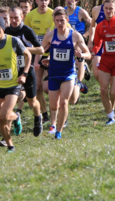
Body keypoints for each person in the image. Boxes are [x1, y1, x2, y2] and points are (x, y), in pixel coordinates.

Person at [0, 16, 32, 153]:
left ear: (3, 28)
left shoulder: (14, 41)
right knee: (0, 118)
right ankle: (10, 145)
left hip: (12, 84)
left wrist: (24, 74)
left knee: (5, 114)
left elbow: (28, 55)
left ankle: (16, 117)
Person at [39, 8, 91, 139]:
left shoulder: (75, 36)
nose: (59, 23)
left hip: (68, 73)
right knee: (53, 105)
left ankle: (58, 131)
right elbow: (41, 49)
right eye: (57, 21)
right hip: (54, 73)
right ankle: (54, 124)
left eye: (62, 20)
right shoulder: (50, 35)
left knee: (64, 102)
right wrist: (42, 59)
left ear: (67, 20)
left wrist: (81, 54)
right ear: (54, 21)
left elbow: (89, 54)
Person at [3, 7, 44, 143]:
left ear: (22, 16)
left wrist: (23, 49)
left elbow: (40, 49)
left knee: (32, 102)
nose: (14, 21)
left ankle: (38, 118)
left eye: (17, 18)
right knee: (9, 102)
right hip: (11, 72)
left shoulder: (27, 31)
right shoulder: (6, 31)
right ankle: (6, 136)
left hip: (27, 70)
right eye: (11, 18)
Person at [25, 0, 55, 124]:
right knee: (37, 87)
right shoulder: (30, 16)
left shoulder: (53, 14)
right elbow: (26, 37)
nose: (43, 3)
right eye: (41, 0)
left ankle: (56, 111)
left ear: (49, 1)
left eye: (46, 0)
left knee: (50, 87)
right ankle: (45, 115)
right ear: (36, 1)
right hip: (36, 54)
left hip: (52, 54)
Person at [63, 0, 92, 89]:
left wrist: (85, 36)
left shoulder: (81, 12)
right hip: (67, 41)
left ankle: (79, 84)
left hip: (79, 41)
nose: (69, 1)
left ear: (76, 0)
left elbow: (94, 25)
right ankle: (83, 68)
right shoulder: (63, 11)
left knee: (79, 58)